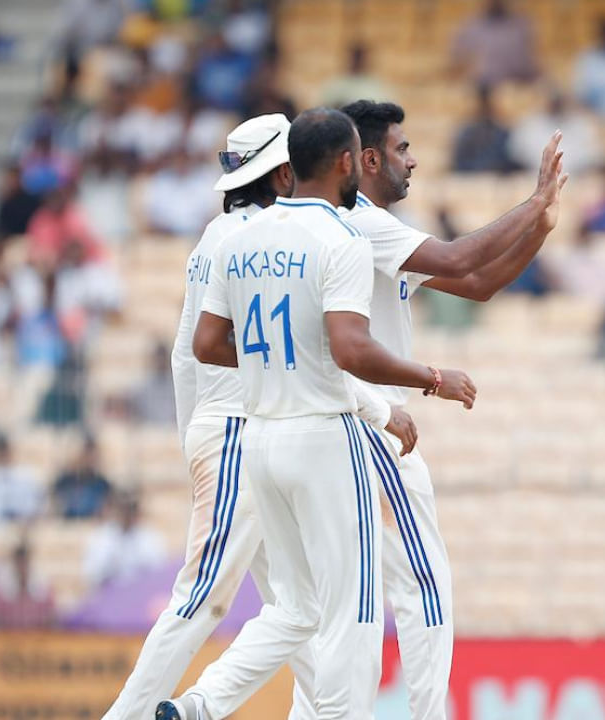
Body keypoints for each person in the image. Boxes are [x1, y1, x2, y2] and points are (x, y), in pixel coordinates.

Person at [159, 107, 476, 720]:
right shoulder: (343, 238)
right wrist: (433, 378)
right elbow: (352, 349)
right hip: (324, 441)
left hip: (260, 442)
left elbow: (204, 346)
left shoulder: (240, 238)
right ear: (343, 163)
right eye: (359, 156)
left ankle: (202, 703)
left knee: (294, 607)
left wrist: (277, 367)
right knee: (353, 613)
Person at [104, 113, 409, 720]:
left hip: (233, 430)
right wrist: (380, 406)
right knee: (205, 599)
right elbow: (310, 349)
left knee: (293, 609)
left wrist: (193, 435)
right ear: (283, 170)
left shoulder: (216, 239)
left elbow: (185, 347)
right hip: (248, 430)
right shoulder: (275, 237)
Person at [337, 100, 563, 719]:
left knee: (338, 604)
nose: (414, 160)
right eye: (403, 149)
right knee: (426, 588)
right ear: (370, 159)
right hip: (370, 426)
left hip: (341, 427)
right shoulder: (361, 222)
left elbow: (475, 286)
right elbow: (462, 259)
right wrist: (534, 202)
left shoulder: (357, 230)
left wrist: (536, 230)